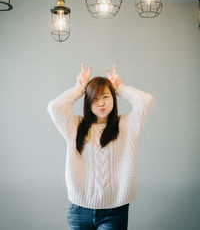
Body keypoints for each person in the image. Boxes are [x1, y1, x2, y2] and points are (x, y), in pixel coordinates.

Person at [47, 63, 155, 230]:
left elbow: (147, 102)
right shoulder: (75, 126)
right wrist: (79, 88)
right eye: (94, 98)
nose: (101, 103)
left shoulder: (127, 125)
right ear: (88, 102)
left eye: (105, 96)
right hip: (79, 210)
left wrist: (120, 87)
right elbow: (54, 108)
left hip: (114, 210)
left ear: (113, 97)